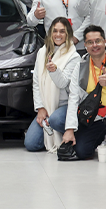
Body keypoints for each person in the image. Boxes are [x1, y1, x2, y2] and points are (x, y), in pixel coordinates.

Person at [60, 25, 106, 160]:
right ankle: (100, 139)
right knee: (82, 152)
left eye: (98, 41)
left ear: (105, 42)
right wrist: (70, 129)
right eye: (90, 42)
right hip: (92, 117)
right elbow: (73, 98)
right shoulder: (80, 66)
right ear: (85, 45)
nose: (94, 45)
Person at [25, 18, 81, 152]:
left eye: (62, 31)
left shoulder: (73, 56)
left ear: (68, 34)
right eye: (55, 31)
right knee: (31, 144)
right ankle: (56, 130)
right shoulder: (42, 52)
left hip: (64, 106)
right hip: (46, 106)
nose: (58, 35)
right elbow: (36, 82)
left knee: (55, 120)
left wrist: (54, 71)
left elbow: (63, 83)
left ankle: (75, 133)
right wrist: (40, 108)